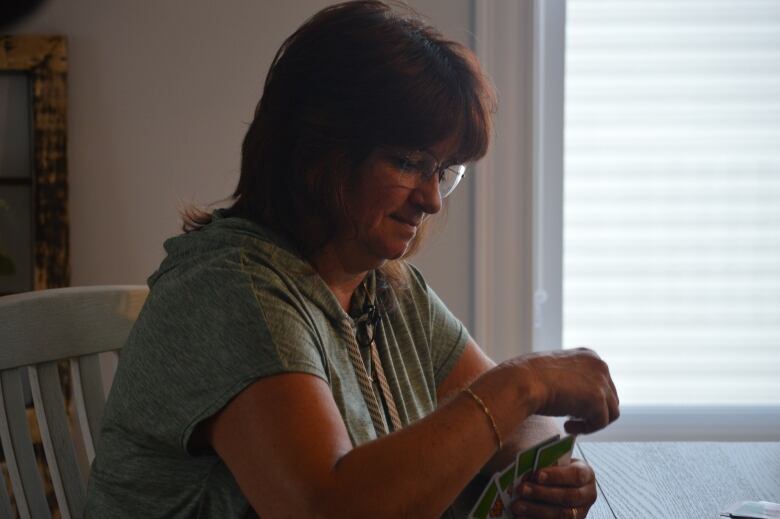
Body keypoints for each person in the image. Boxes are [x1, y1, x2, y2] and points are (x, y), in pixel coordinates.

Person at [85, 2, 619, 518]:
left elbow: (523, 430)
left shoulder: (387, 290)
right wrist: (523, 384)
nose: (432, 199)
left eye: (445, 170)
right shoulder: (232, 290)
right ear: (317, 150)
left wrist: (546, 476)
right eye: (410, 162)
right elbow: (327, 509)